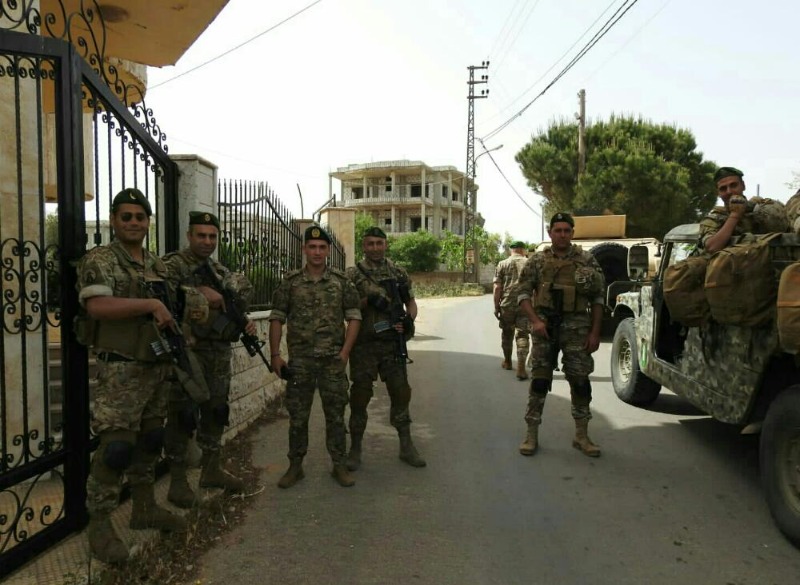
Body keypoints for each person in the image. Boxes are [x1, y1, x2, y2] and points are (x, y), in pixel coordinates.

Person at [76, 188, 199, 563]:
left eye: (140, 217)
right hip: (121, 368)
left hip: (156, 366)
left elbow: (175, 305)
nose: (133, 223)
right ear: (113, 220)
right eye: (126, 216)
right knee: (116, 449)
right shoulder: (100, 259)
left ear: (148, 222)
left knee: (151, 439)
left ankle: (144, 507)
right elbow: (97, 306)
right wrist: (150, 303)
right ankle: (99, 525)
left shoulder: (156, 265)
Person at [162, 211, 257, 508]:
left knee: (216, 410)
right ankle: (177, 482)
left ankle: (211, 470)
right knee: (183, 414)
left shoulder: (218, 270)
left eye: (212, 236)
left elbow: (232, 303)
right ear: (189, 236)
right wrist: (196, 293)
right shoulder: (172, 266)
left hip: (217, 352)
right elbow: (160, 299)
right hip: (187, 352)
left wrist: (245, 322)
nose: (206, 241)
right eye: (201, 235)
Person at [268, 226, 362, 488]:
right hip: (301, 363)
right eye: (312, 247)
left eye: (322, 247)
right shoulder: (291, 282)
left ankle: (339, 465)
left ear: (328, 251)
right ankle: (295, 466)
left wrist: (345, 352)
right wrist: (275, 355)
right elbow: (277, 318)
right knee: (298, 417)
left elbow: (354, 317)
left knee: (335, 416)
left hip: (332, 362)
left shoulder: (341, 282)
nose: (317, 252)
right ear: (304, 249)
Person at [517, 212, 606, 458]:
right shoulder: (537, 261)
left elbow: (598, 298)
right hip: (545, 328)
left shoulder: (587, 260)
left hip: (577, 329)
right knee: (539, 381)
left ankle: (581, 435)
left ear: (572, 233)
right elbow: (523, 294)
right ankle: (531, 434)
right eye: (558, 230)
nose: (563, 235)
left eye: (567, 230)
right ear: (551, 233)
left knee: (580, 381)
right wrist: (535, 321)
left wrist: (595, 332)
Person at [344, 227, 426, 471]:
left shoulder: (398, 273)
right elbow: (345, 307)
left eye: (379, 243)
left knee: (401, 393)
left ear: (385, 245)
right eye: (370, 243)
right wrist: (367, 301)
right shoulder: (353, 275)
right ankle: (355, 449)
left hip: (392, 345)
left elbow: (411, 303)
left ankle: (406, 446)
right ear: (364, 246)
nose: (375, 248)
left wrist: (408, 320)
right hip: (364, 346)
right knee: (359, 397)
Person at [493, 240, 532, 381]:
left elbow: (497, 287)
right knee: (522, 335)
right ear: (523, 250)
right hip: (525, 304)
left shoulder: (502, 264)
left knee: (507, 334)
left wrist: (496, 306)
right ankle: (521, 367)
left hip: (507, 304)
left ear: (511, 250)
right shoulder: (530, 263)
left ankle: (508, 362)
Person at [700, 167, 754, 253]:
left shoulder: (760, 210)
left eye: (733, 185)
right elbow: (712, 247)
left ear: (743, 186)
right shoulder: (713, 220)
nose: (729, 191)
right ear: (718, 193)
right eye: (723, 188)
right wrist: (735, 215)